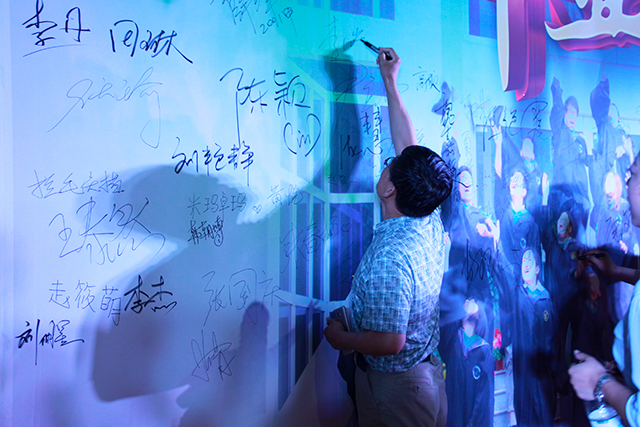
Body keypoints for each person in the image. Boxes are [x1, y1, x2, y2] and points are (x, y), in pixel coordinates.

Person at [323, 47, 453, 427]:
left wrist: (342, 339)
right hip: (424, 379)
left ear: (388, 189)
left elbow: (390, 341)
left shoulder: (390, 256)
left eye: (388, 166)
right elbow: (408, 149)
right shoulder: (427, 215)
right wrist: (390, 81)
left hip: (397, 394)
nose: (389, 162)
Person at [568, 150, 640, 427]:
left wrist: (601, 382)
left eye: (633, 174)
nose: (627, 180)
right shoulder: (597, 211)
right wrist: (617, 271)